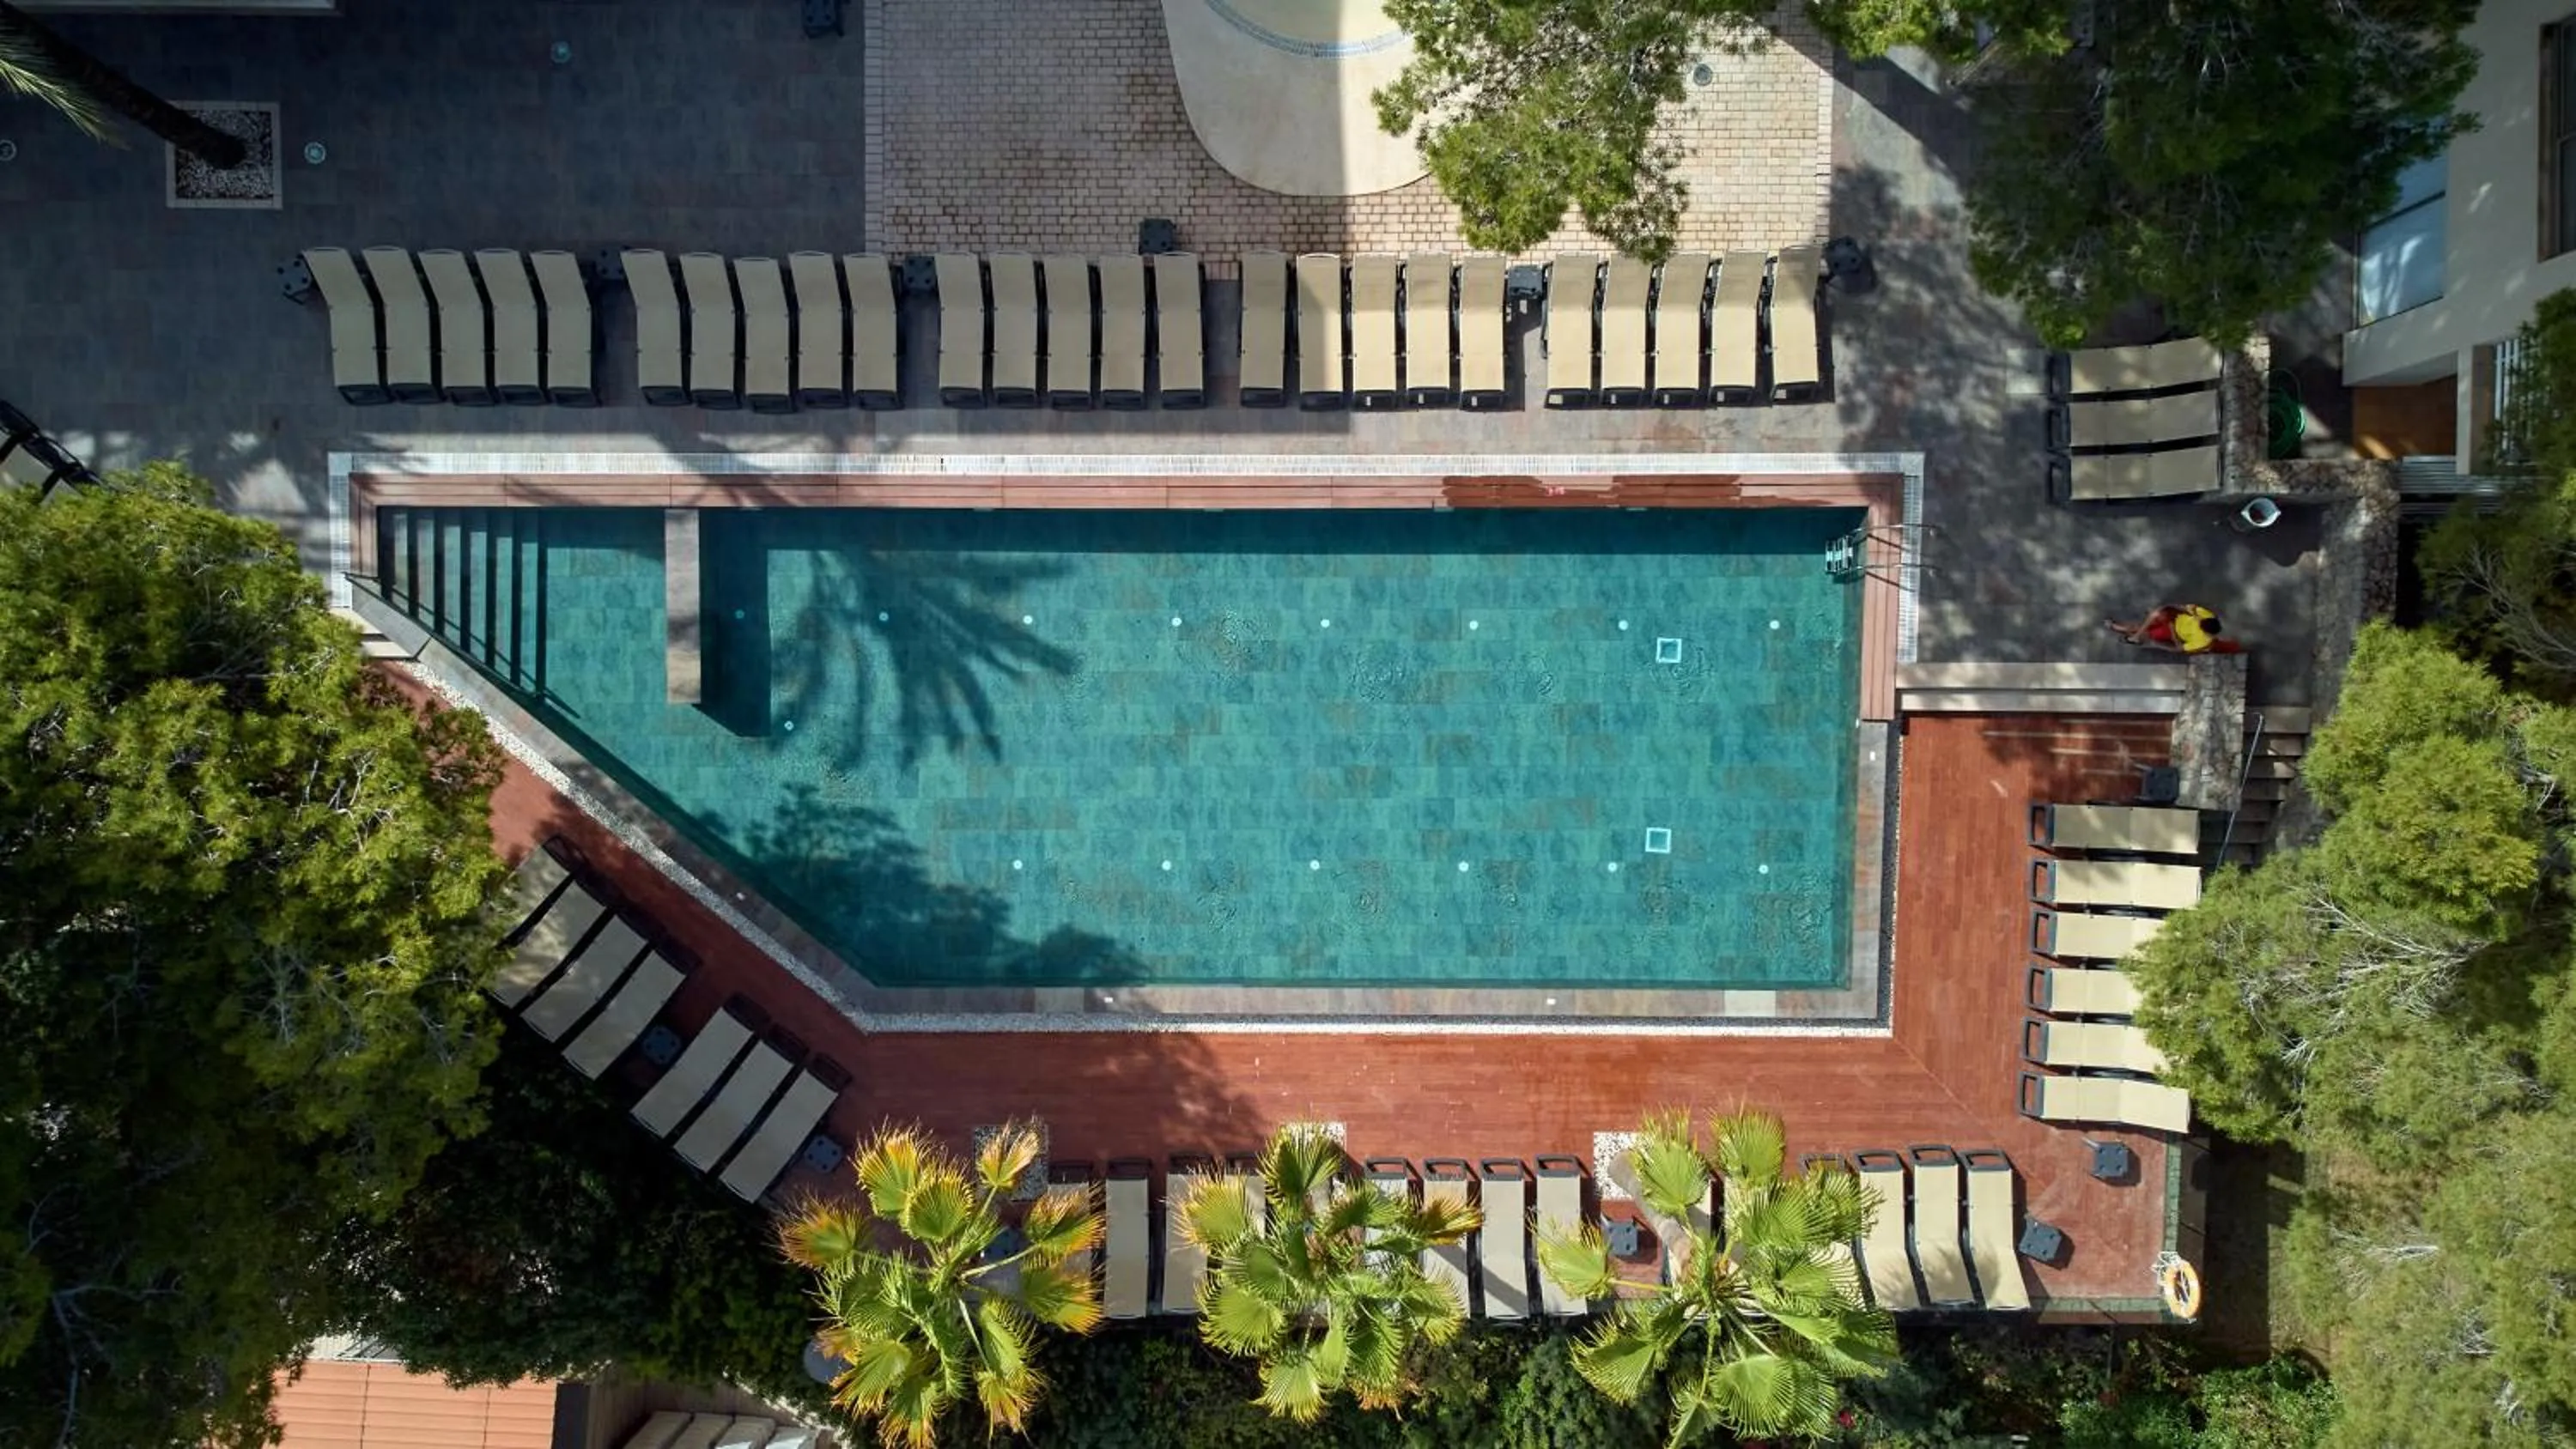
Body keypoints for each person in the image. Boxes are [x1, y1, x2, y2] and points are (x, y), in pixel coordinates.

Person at [2105, 603, 2245, 655]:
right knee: (2153, 617)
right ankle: (2131, 634)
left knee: (2147, 631)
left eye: (2200, 624)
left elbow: (2179, 648)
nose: (2198, 621)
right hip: (2175, 618)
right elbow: (2186, 608)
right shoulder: (2207, 616)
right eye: (2201, 621)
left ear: (2206, 631)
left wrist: (2172, 632)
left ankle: (2130, 633)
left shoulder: (2204, 642)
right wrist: (2169, 609)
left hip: (2173, 632)